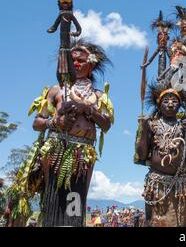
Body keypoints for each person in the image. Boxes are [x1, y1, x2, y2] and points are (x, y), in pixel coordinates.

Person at [9, 39, 114, 227]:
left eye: (80, 60)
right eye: (71, 60)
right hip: (57, 149)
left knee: (76, 197)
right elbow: (36, 123)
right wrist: (54, 121)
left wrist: (87, 109)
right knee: (54, 197)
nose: (75, 64)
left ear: (91, 65)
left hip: (83, 154)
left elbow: (106, 125)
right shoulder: (55, 90)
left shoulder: (99, 96)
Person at [135, 81, 186, 227]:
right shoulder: (152, 125)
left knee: (179, 222)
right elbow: (142, 155)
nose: (170, 104)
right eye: (166, 101)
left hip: (178, 185)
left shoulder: (184, 127)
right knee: (154, 222)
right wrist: (144, 130)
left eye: (174, 101)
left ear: (180, 104)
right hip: (156, 184)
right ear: (158, 104)